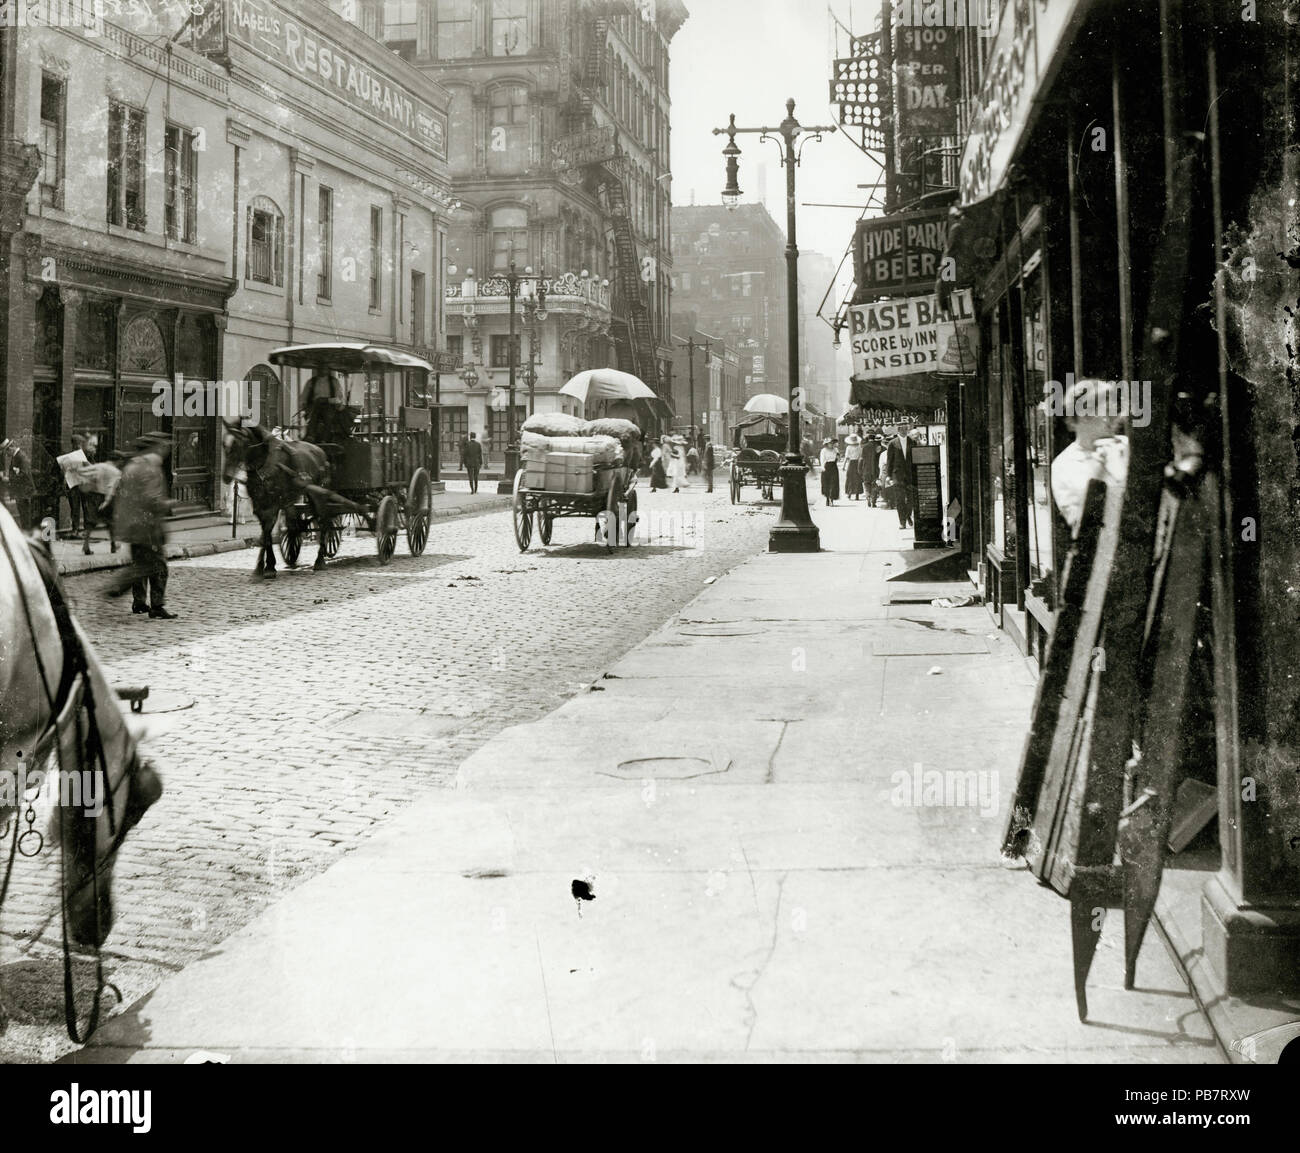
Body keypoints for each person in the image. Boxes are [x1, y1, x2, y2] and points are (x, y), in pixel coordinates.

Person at [106, 432, 177, 619]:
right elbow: (151, 498)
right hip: (148, 525)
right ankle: (155, 605)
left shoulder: (131, 466)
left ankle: (139, 602)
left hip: (131, 525)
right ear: (157, 447)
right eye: (164, 447)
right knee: (158, 565)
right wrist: (167, 504)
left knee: (141, 562)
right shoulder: (150, 468)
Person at [1050, 378, 1129, 535]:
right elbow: (1078, 526)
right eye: (1107, 412)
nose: (1115, 419)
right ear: (1082, 416)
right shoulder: (1064, 465)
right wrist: (1099, 475)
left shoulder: (1127, 446)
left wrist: (1119, 469)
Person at [885, 420, 916, 529]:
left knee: (911, 499)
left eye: (906, 429)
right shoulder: (893, 443)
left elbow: (915, 459)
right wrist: (888, 476)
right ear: (898, 430)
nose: (904, 431)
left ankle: (907, 515)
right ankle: (902, 522)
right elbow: (889, 460)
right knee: (900, 499)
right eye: (902, 429)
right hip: (897, 475)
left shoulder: (912, 442)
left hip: (910, 475)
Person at [301, 370, 347, 445]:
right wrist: (306, 406)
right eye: (320, 365)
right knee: (314, 411)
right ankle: (311, 435)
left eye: (324, 366)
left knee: (327, 414)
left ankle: (325, 439)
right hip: (314, 407)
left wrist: (326, 400)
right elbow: (303, 398)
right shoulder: (311, 382)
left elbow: (339, 399)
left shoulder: (334, 382)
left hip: (330, 407)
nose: (322, 368)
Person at [0, 436, 36, 530]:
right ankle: (26, 533)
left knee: (25, 515)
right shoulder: (16, 456)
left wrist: (8, 479)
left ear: (11, 448)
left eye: (6, 452)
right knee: (23, 514)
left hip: (24, 492)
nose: (7, 455)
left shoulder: (21, 456)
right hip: (21, 492)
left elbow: (24, 473)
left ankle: (27, 534)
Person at [843, 433, 864, 500]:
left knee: (850, 478)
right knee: (857, 478)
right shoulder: (859, 447)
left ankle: (849, 493)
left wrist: (844, 466)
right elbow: (861, 457)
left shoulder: (848, 447)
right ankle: (857, 494)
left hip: (851, 463)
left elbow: (846, 457)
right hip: (857, 463)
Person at [819, 438, 840, 506]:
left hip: (833, 466)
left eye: (832, 443)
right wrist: (822, 467)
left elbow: (838, 459)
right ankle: (827, 498)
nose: (831, 444)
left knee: (833, 483)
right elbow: (822, 459)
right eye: (829, 443)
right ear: (826, 444)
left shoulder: (835, 450)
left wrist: (838, 456)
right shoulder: (823, 450)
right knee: (826, 483)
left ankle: (832, 499)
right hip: (826, 466)